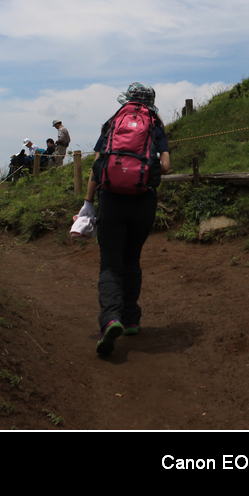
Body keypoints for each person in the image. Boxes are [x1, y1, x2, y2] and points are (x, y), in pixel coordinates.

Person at [84, 83, 169, 357]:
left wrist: (87, 204)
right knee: (131, 259)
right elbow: (165, 166)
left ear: (127, 101)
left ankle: (111, 318)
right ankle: (131, 319)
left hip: (111, 200)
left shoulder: (112, 124)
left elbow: (97, 168)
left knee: (110, 264)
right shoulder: (155, 125)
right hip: (144, 201)